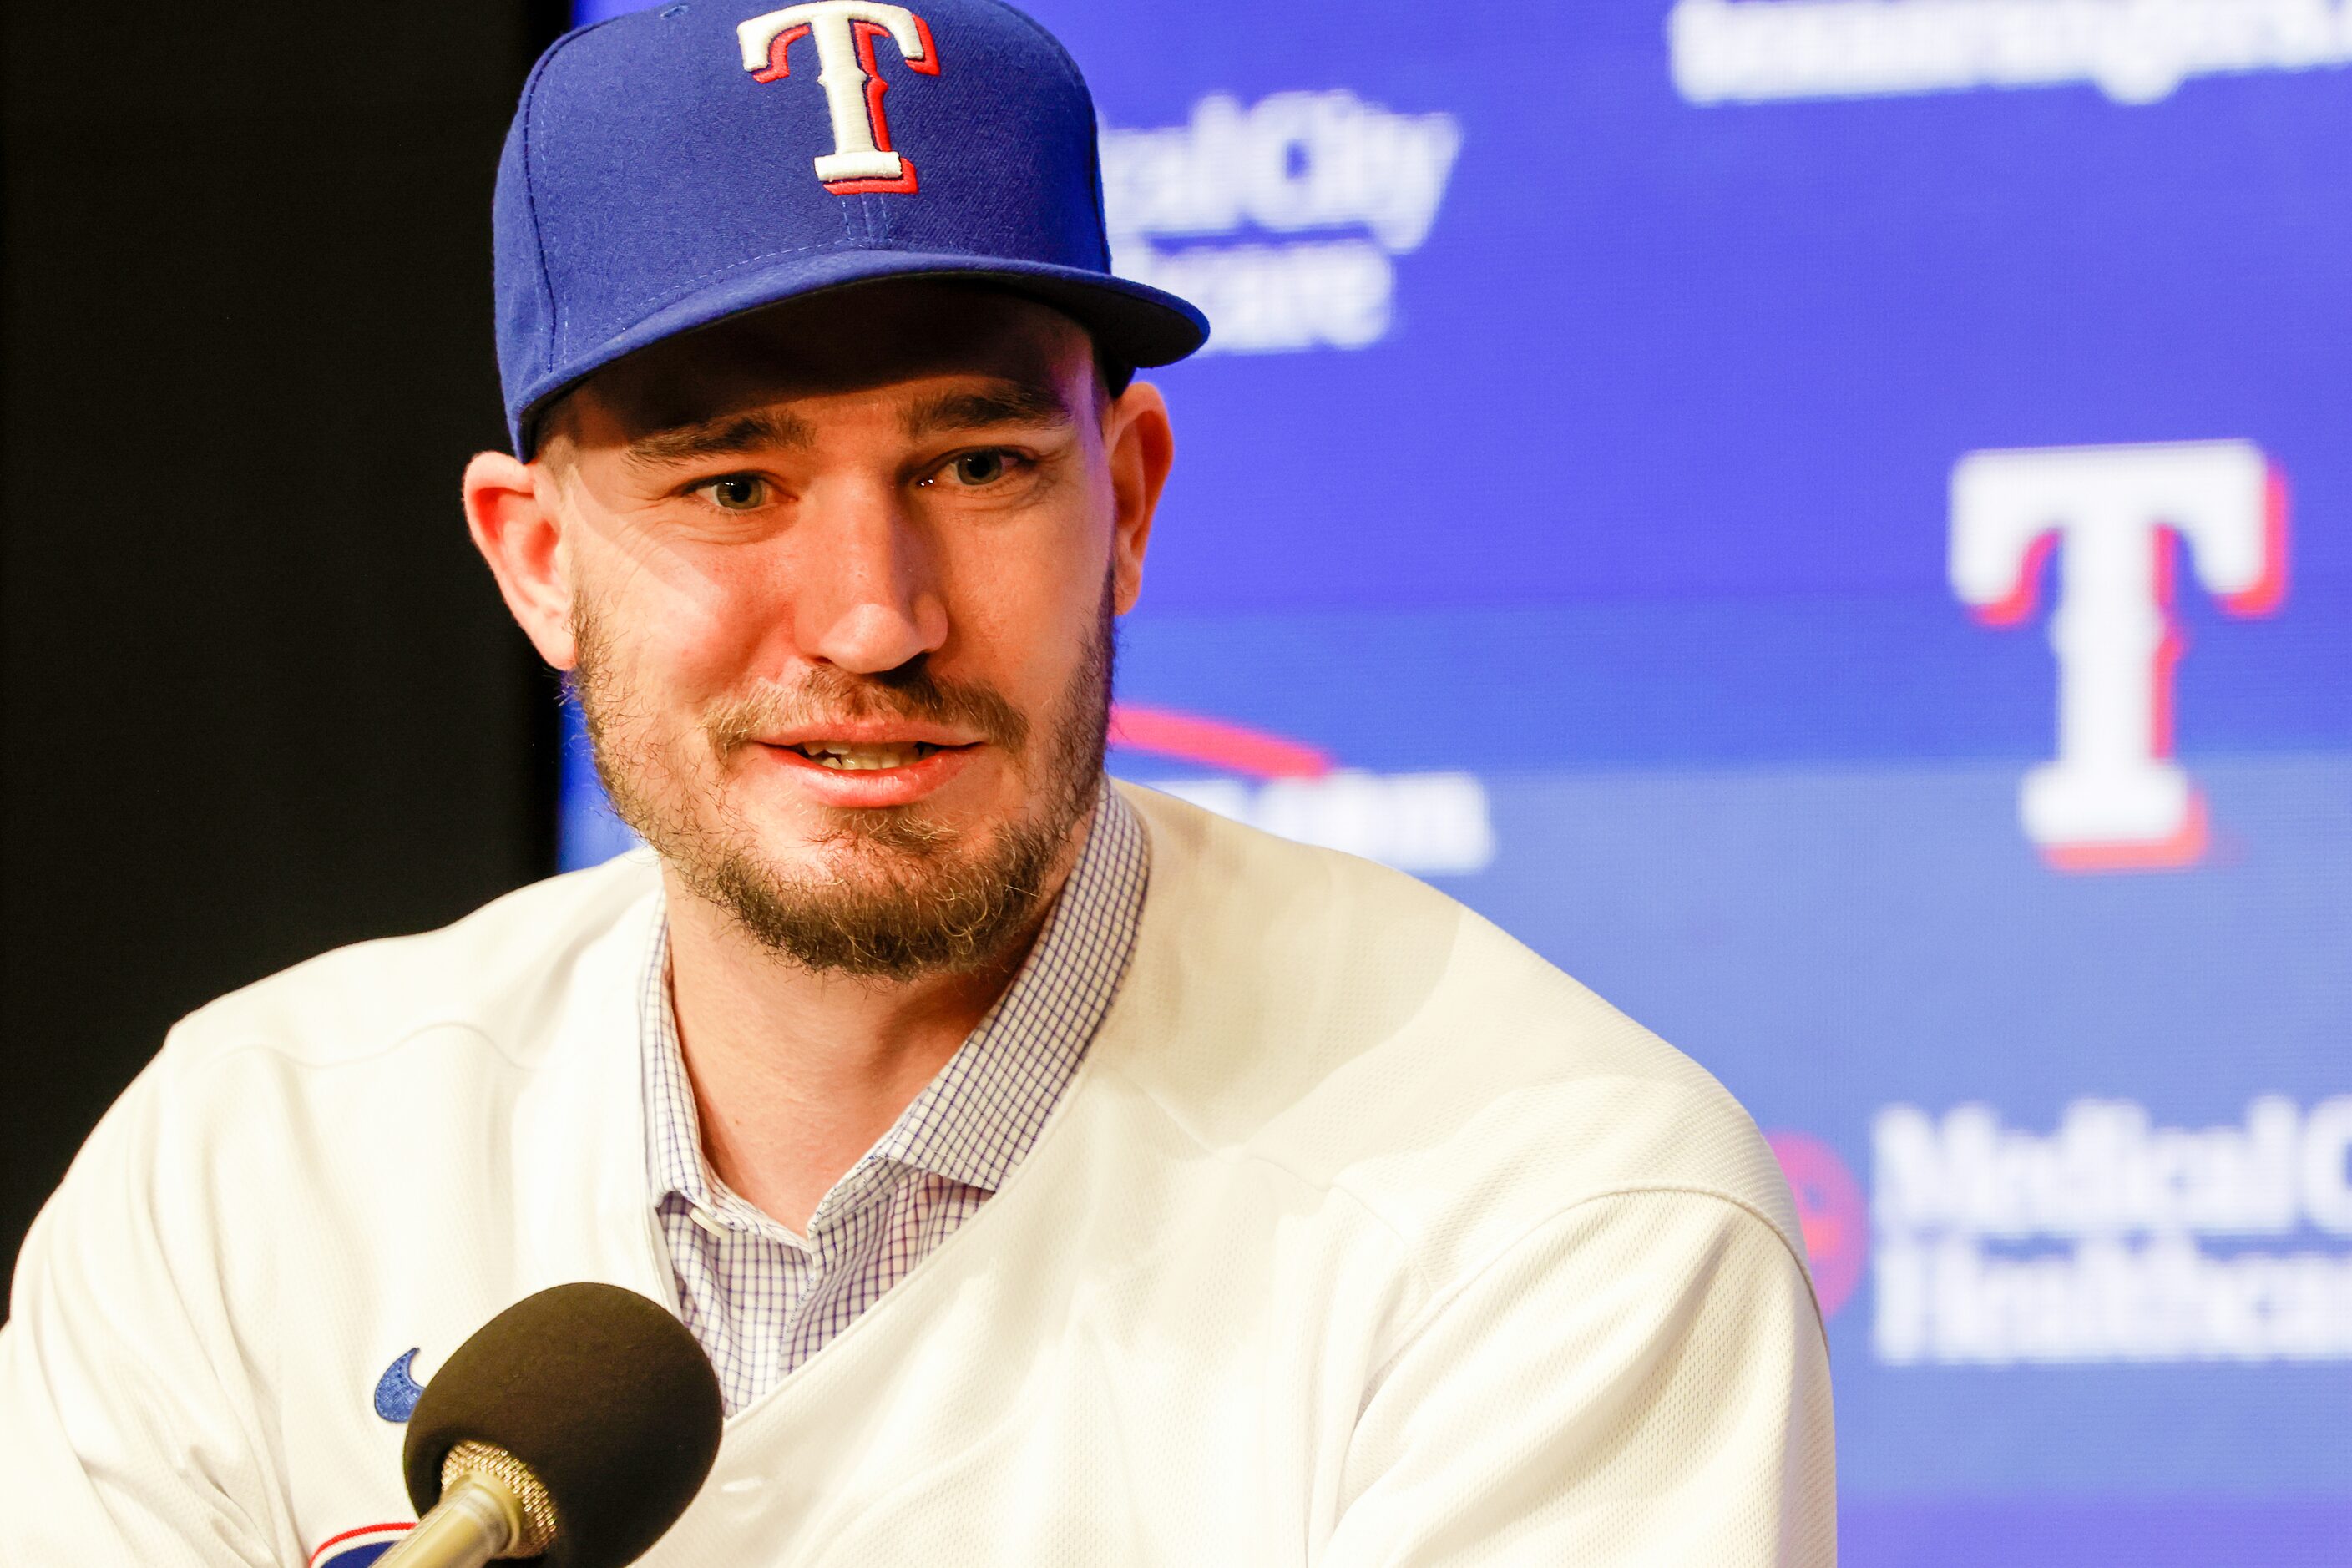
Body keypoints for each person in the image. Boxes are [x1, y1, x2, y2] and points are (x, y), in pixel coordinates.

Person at [0, 1, 1834, 1561]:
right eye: (732, 486)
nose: (874, 616)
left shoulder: (1554, 1218)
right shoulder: (250, 1164)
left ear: (1123, 498)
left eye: (971, 468)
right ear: (533, 559)